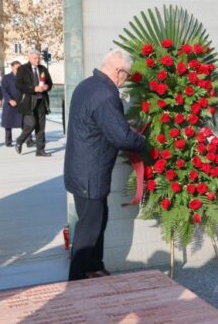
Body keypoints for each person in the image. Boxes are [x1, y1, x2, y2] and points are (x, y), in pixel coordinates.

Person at [65, 49, 147, 281]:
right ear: (119, 71)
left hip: (81, 169)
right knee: (89, 228)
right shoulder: (106, 95)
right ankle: (77, 278)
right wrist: (144, 142)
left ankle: (94, 265)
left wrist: (120, 124)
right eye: (127, 76)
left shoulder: (87, 85)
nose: (126, 80)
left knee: (98, 218)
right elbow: (121, 137)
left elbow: (101, 123)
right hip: (91, 172)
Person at [15, 50, 53, 157]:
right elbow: (19, 85)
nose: (38, 60)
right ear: (30, 58)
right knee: (31, 123)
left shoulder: (43, 69)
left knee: (41, 127)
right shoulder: (22, 69)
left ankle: (40, 150)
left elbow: (50, 83)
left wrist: (46, 87)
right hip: (28, 101)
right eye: (35, 58)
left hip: (41, 101)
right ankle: (20, 140)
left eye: (39, 58)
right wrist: (33, 89)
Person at [1, 61, 34, 147]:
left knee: (26, 122)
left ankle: (29, 140)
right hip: (10, 103)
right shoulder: (6, 78)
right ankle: (8, 141)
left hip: (22, 102)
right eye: (17, 68)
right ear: (12, 68)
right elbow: (4, 91)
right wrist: (9, 100)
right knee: (8, 123)